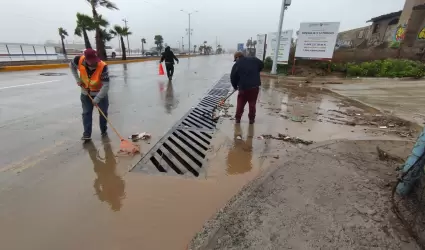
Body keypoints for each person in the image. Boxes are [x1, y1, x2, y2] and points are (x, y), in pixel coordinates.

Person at [70, 48, 110, 141]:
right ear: (86, 59)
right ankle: (87, 134)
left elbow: (106, 85)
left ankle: (103, 131)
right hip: (86, 92)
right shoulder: (78, 60)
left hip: (100, 92)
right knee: (86, 113)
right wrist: (78, 80)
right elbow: (71, 66)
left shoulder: (103, 66)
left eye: (95, 60)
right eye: (92, 61)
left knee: (103, 112)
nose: (94, 63)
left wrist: (97, 98)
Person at [230, 51, 264, 124]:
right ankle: (251, 120)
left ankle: (238, 119)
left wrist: (235, 86)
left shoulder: (237, 64)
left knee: (240, 104)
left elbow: (233, 77)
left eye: (235, 59)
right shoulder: (254, 59)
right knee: (252, 104)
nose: (236, 61)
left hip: (243, 88)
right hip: (254, 87)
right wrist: (256, 71)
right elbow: (262, 65)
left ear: (237, 57)